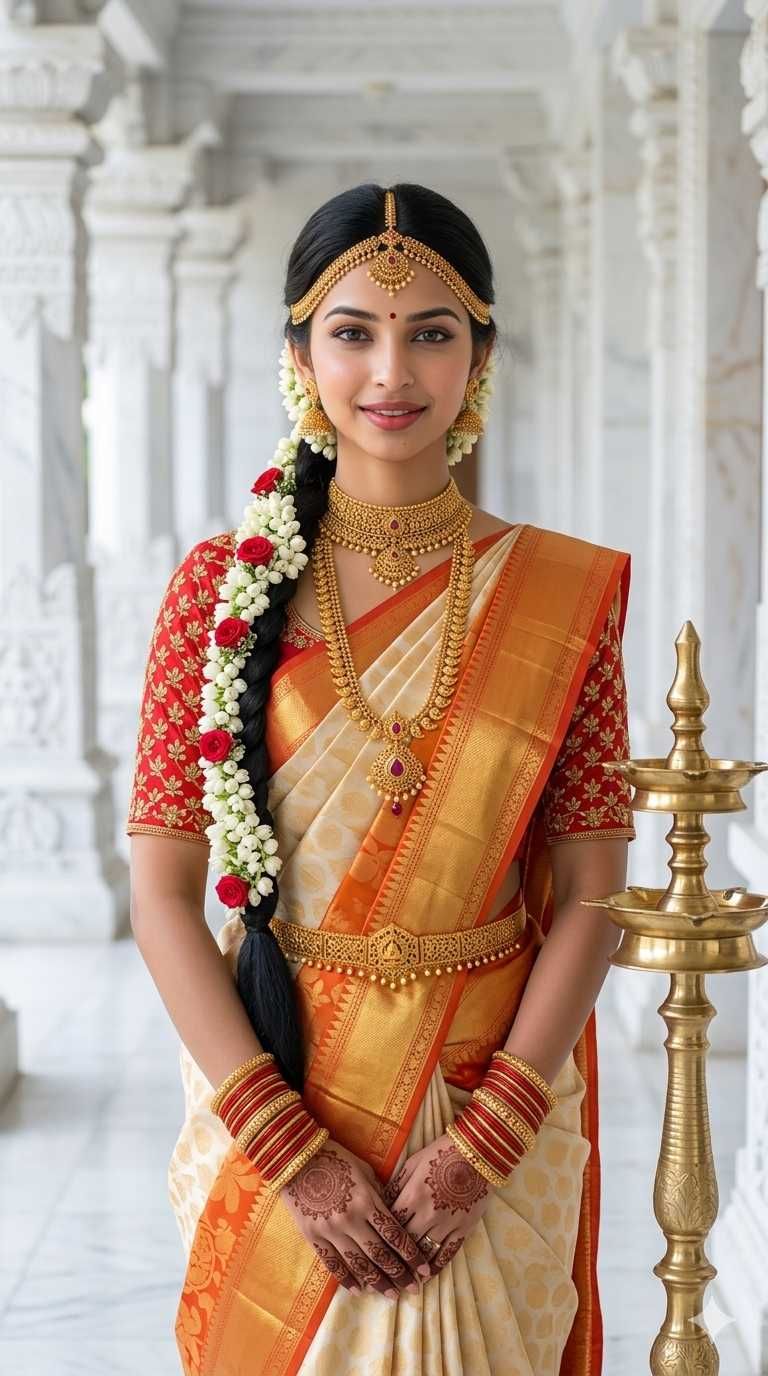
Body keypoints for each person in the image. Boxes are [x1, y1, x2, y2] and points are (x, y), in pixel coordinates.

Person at [126, 182, 636, 1376]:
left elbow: (594, 891)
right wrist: (288, 1149)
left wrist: (489, 1138)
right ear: (301, 354)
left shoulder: (558, 597)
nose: (392, 371)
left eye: (432, 332)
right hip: (281, 1092)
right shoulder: (216, 590)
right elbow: (162, 894)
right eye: (353, 331)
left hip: (489, 1107)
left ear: (482, 355)